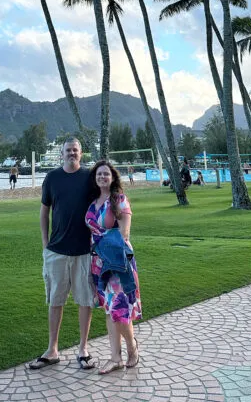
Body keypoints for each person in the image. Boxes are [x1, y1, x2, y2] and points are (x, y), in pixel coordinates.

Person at [28, 138, 95, 371]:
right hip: (56, 251)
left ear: (81, 153)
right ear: (62, 154)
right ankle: (52, 350)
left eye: (75, 150)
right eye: (68, 150)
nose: (72, 153)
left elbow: (103, 201)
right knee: (55, 301)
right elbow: (44, 211)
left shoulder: (89, 178)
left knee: (85, 301)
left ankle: (83, 349)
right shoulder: (52, 178)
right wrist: (46, 243)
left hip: (84, 251)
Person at [85, 160, 142, 375]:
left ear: (112, 177)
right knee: (109, 309)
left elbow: (124, 233)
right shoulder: (93, 201)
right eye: (99, 174)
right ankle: (115, 358)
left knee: (119, 309)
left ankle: (132, 348)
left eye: (105, 174)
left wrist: (100, 241)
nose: (102, 177)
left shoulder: (119, 199)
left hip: (117, 262)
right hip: (99, 263)